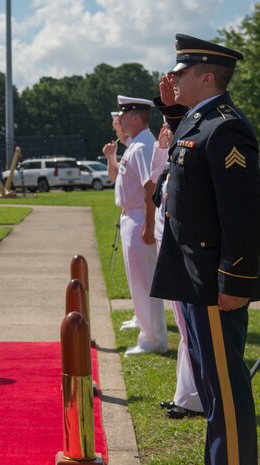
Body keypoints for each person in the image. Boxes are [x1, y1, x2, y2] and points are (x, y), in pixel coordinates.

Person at [151, 33, 259, 464]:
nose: (172, 79)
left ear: (208, 76)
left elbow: (243, 214)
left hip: (215, 283)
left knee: (226, 391)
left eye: (181, 73)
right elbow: (184, 168)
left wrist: (235, 281)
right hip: (195, 278)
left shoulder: (226, 127)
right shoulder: (202, 119)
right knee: (211, 385)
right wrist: (173, 112)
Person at [103, 95, 167, 356]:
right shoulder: (137, 144)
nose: (120, 120)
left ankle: (153, 339)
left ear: (136, 117)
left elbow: (149, 186)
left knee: (145, 282)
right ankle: (147, 331)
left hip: (140, 217)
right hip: (132, 217)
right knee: (138, 281)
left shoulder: (142, 146)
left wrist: (149, 226)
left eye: (124, 115)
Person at [150, 123, 203, 420]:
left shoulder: (191, 149)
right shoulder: (174, 152)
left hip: (180, 242)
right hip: (166, 239)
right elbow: (157, 188)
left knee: (188, 326)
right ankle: (186, 394)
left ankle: (193, 396)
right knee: (183, 325)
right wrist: (162, 148)